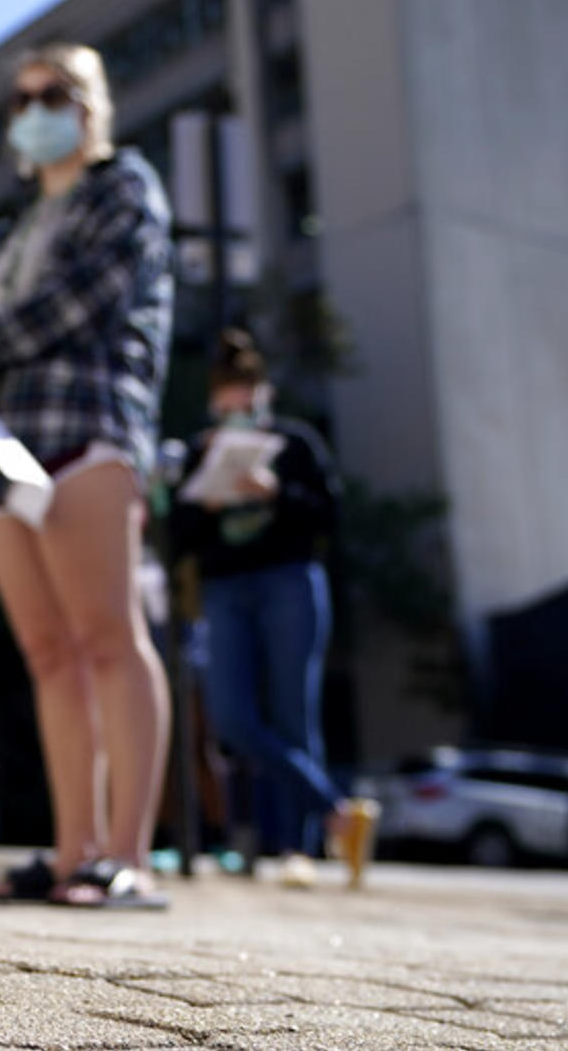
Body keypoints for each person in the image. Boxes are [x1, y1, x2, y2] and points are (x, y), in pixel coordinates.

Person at [0, 40, 175, 909]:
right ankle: (73, 855)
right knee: (46, 653)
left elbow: (76, 304)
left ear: (92, 104)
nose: (35, 111)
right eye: (22, 98)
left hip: (86, 432)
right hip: (1, 452)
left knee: (109, 637)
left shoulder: (125, 189)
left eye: (55, 94)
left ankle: (128, 859)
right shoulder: (10, 231)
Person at [169, 328, 378, 888]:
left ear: (264, 397)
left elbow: (330, 516)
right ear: (215, 405)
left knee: (293, 715)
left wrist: (275, 492)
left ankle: (297, 849)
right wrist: (205, 502)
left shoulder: (297, 443)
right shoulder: (200, 450)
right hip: (226, 588)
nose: (237, 417)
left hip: (290, 579)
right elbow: (178, 537)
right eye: (226, 409)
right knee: (232, 717)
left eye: (247, 406)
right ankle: (338, 811)